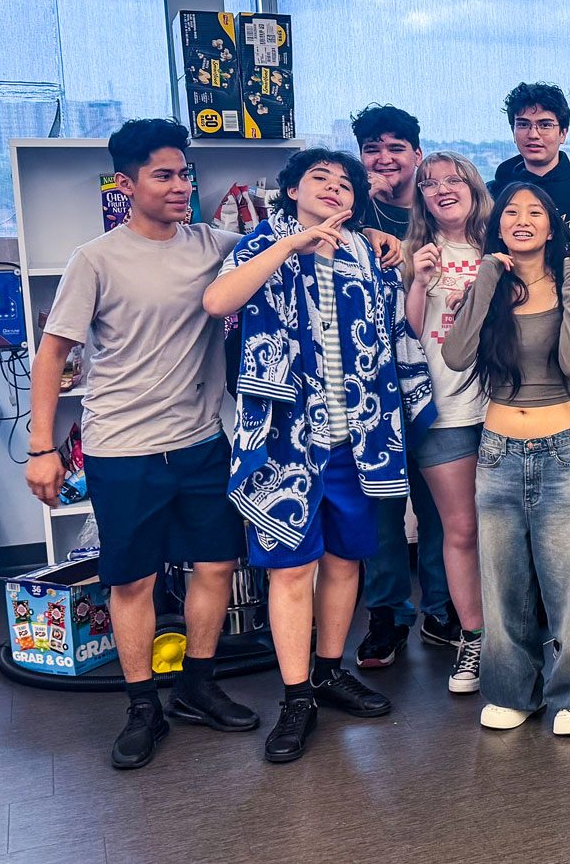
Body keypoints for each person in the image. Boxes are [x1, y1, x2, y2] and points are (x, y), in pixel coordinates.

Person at [26, 119, 258, 770]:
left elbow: (283, 244)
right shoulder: (95, 259)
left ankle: (196, 686)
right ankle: (141, 706)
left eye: (185, 173)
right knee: (134, 581)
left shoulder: (214, 244)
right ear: (126, 184)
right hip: (123, 448)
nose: (181, 185)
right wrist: (42, 448)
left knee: (216, 565)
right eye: (164, 175)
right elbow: (52, 355)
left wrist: (374, 237)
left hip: (201, 441)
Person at [203, 149, 434, 763]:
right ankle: (296, 695)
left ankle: (329, 671)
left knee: (345, 560)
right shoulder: (263, 242)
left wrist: (392, 249)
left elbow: (396, 330)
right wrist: (290, 246)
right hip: (287, 439)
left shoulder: (367, 253)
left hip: (358, 436)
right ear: (292, 190)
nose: (333, 189)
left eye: (344, 185)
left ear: (356, 202)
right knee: (289, 570)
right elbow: (219, 302)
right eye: (319, 179)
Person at [442, 183, 570, 735]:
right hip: (497, 452)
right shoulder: (489, 286)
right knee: (503, 583)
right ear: (498, 226)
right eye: (511, 211)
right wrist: (487, 277)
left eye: (536, 211)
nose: (522, 219)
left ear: (552, 226)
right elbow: (456, 354)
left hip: (563, 449)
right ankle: (513, 690)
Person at [348, 104, 458, 666]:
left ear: (417, 152)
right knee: (381, 507)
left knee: (440, 504)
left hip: (438, 381)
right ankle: (388, 613)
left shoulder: (438, 209)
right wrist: (356, 216)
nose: (384, 158)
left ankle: (442, 607)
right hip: (367, 385)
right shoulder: (346, 211)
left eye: (396, 147)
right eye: (372, 149)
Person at [402, 151, 496, 694]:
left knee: (515, 528)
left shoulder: (499, 244)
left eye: (452, 179)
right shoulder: (413, 252)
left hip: (506, 406)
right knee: (460, 530)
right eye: (430, 183)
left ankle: (527, 634)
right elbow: (408, 334)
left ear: (472, 186)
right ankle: (473, 638)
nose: (442, 189)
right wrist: (419, 282)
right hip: (444, 412)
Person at [492, 81, 570, 239]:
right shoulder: (494, 193)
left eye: (545, 125)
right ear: (513, 131)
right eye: (523, 124)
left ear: (563, 133)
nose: (533, 134)